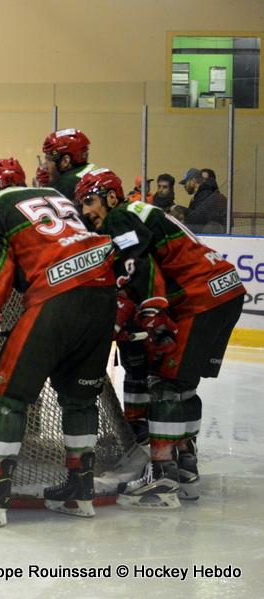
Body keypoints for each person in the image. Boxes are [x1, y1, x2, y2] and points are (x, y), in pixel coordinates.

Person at [0, 157, 116, 527]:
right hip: (102, 291)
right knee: (80, 397)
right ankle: (80, 491)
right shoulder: (53, 195)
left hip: (55, 295)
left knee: (9, 396)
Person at [76, 168, 244, 508]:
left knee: (165, 386)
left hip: (199, 298)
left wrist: (150, 311)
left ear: (111, 197)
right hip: (226, 289)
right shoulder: (141, 213)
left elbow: (138, 264)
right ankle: (187, 472)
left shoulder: (121, 217)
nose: (86, 211)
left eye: (90, 201)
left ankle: (163, 479)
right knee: (184, 387)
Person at [41, 128, 95, 202]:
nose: (45, 166)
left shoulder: (65, 184)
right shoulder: (91, 168)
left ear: (65, 161)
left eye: (49, 159)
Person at [180, 168, 227, 233]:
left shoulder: (205, 194)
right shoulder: (200, 195)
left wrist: (182, 210)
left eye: (186, 182)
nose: (184, 186)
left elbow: (199, 218)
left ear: (193, 180)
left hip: (213, 236)